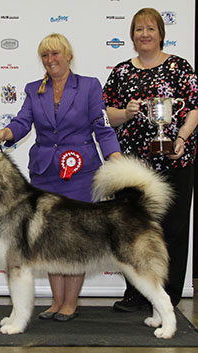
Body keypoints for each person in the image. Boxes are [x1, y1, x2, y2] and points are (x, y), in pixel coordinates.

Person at [0, 33, 121, 321]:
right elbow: (22, 122)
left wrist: (116, 159)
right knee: (49, 239)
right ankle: (56, 301)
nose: (50, 60)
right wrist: (6, 133)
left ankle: (70, 302)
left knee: (75, 239)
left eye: (55, 54)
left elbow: (103, 126)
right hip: (45, 173)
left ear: (68, 55)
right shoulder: (33, 89)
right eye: (45, 56)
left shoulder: (89, 86)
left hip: (81, 174)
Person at [103, 8, 198, 312]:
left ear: (161, 33)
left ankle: (168, 294)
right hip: (133, 168)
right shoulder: (120, 72)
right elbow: (107, 116)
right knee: (132, 229)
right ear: (132, 35)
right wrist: (126, 113)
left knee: (174, 227)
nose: (144, 34)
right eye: (139, 29)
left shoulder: (180, 67)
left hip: (176, 160)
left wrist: (182, 138)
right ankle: (136, 293)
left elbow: (194, 108)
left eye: (150, 29)